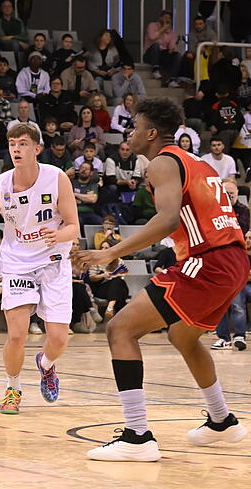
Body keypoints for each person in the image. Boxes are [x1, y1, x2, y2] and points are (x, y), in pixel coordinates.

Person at [73, 97, 250, 462]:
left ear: (151, 133)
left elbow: (169, 219)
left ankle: (137, 436)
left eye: (135, 127)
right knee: (182, 335)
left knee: (120, 329)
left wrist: (110, 252)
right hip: (233, 260)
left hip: (209, 260)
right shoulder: (196, 163)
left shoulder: (163, 162)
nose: (129, 133)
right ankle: (222, 420)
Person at [0, 122, 80, 414]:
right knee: (16, 334)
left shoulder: (57, 178)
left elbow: (73, 227)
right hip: (17, 263)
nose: (16, 149)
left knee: (59, 338)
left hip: (54, 260)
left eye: (22, 144)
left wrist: (58, 236)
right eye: (12, 144)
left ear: (37, 148)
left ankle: (46, 364)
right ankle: (13, 388)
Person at [211, 228, 251, 350]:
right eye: (246, 238)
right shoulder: (238, 254)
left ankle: (239, 336)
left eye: (250, 238)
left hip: (244, 286)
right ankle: (224, 338)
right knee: (220, 300)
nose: (247, 240)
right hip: (239, 285)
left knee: (237, 299)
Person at [88, 239, 130, 320]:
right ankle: (121, 320)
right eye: (102, 248)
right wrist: (103, 275)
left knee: (118, 282)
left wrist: (115, 275)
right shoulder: (95, 260)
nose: (103, 250)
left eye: (106, 248)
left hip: (115, 286)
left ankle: (110, 307)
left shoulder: (119, 261)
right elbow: (92, 278)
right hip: (101, 288)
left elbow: (123, 275)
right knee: (120, 291)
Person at [143, 10, 181, 81]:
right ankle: (155, 70)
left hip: (162, 55)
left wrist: (172, 49)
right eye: (165, 17)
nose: (167, 19)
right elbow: (152, 37)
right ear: (160, 18)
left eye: (169, 18)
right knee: (156, 45)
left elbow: (171, 47)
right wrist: (163, 29)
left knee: (177, 55)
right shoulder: (152, 25)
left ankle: (172, 79)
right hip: (150, 54)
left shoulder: (171, 31)